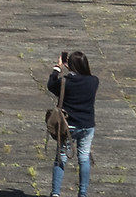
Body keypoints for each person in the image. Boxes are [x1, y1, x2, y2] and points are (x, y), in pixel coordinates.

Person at [48, 50, 99, 196]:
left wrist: (58, 68)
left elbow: (51, 84)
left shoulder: (65, 82)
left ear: (69, 66)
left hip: (68, 126)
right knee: (84, 159)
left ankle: (56, 193)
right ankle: (83, 193)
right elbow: (87, 77)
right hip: (87, 125)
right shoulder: (94, 81)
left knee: (61, 158)